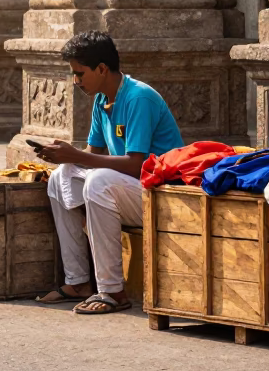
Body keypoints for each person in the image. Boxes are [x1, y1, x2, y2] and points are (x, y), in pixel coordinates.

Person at [34, 31, 184, 314]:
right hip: (127, 188)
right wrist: (64, 157)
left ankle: (112, 290)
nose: (76, 81)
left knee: (98, 181)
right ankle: (78, 281)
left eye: (80, 74)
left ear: (102, 68)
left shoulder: (139, 97)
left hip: (162, 194)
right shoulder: (101, 100)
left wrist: (76, 156)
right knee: (60, 176)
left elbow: (136, 163)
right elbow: (94, 154)